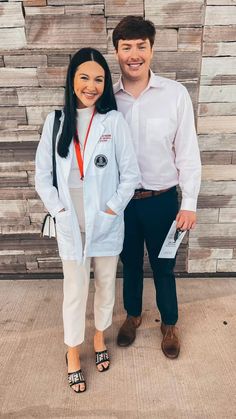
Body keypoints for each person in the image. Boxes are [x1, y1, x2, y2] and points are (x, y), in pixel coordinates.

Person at [35, 47, 140, 393]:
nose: (91, 86)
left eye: (98, 79)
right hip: (71, 220)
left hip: (106, 219)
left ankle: (98, 338)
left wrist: (110, 210)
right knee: (75, 289)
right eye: (84, 77)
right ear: (72, 79)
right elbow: (43, 177)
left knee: (106, 284)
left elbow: (130, 175)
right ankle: (72, 352)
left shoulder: (113, 121)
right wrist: (62, 212)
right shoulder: (56, 122)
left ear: (105, 84)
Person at [112, 16, 201, 358]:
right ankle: (133, 316)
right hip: (122, 203)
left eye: (141, 46)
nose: (134, 54)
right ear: (117, 52)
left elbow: (188, 152)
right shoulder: (107, 98)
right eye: (126, 47)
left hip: (163, 201)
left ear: (151, 49)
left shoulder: (174, 95)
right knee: (130, 264)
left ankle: (169, 323)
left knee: (164, 265)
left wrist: (189, 201)